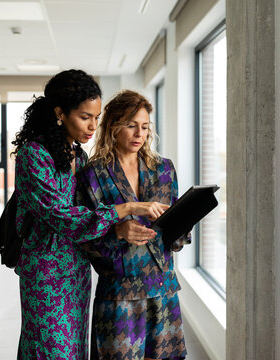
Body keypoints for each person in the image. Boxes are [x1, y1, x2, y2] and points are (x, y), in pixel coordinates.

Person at [11, 70, 166, 360]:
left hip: (78, 270)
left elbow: (90, 218)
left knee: (74, 350)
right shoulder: (33, 155)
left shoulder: (78, 155)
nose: (93, 126)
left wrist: (122, 229)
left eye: (96, 118)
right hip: (45, 272)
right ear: (60, 113)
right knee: (49, 350)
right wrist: (126, 208)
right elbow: (62, 217)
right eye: (85, 117)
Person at [77, 90, 190, 360]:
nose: (139, 133)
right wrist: (117, 230)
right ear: (114, 127)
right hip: (118, 293)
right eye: (131, 126)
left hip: (163, 288)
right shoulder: (93, 174)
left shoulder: (164, 169)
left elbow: (177, 235)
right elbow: (82, 235)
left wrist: (183, 222)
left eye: (145, 127)